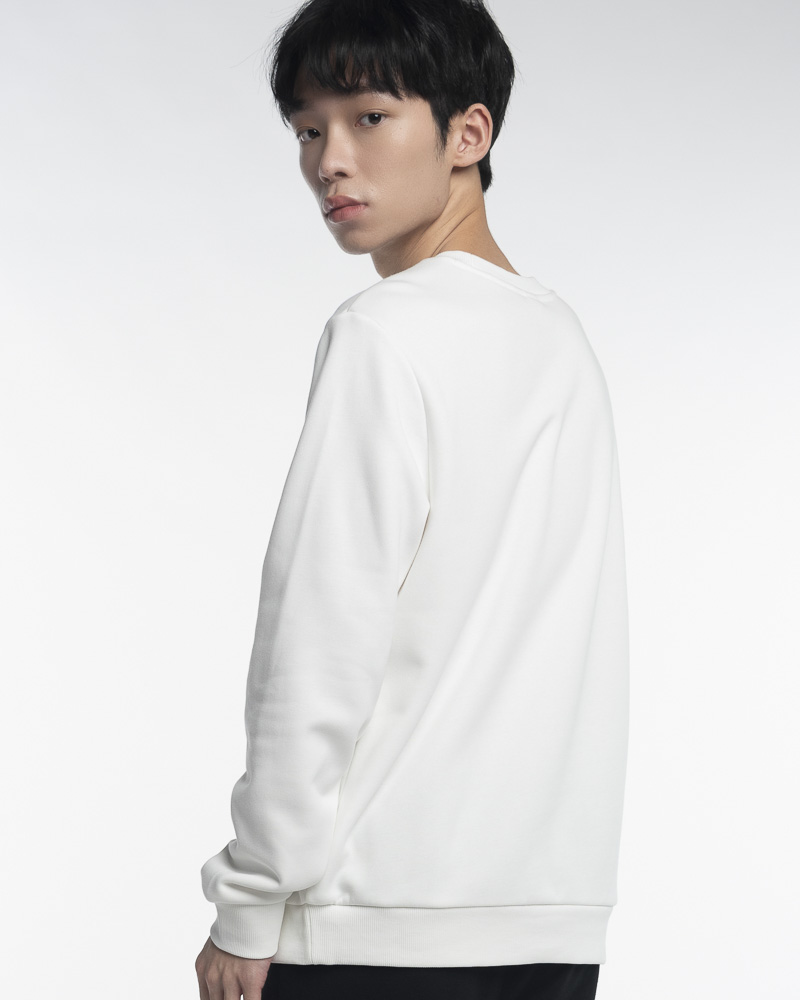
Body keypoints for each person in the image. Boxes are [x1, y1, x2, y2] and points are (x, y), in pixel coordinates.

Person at [195, 1, 630, 997]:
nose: (329, 161)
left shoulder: (383, 333)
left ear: (468, 133)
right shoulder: (561, 340)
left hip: (376, 926)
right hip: (549, 921)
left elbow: (318, 641)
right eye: (308, 129)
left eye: (369, 117)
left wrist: (250, 898)